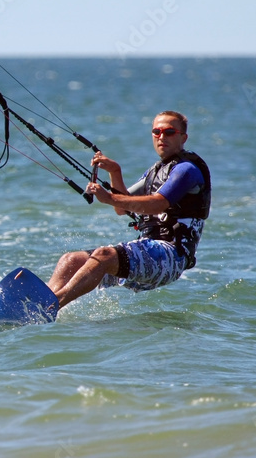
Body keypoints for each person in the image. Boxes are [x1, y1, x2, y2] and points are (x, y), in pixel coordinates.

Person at [47, 110, 211, 309]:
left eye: (169, 132)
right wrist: (115, 171)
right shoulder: (154, 171)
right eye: (156, 132)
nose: (161, 137)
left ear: (183, 137)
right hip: (147, 250)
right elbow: (120, 208)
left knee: (104, 255)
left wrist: (108, 197)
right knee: (71, 260)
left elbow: (158, 203)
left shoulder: (187, 170)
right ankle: (43, 306)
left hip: (171, 257)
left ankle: (53, 303)